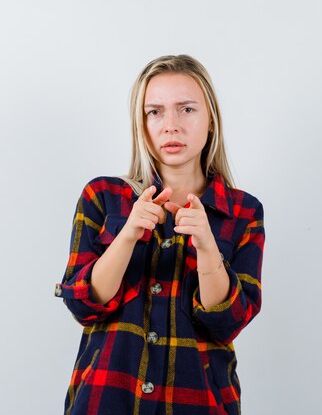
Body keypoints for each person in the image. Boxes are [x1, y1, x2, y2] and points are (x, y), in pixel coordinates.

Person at [54, 54, 265, 415]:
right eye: (155, 112)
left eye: (186, 110)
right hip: (106, 400)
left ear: (210, 119)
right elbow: (83, 304)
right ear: (141, 122)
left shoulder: (243, 212)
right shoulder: (102, 196)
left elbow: (227, 323)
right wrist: (127, 235)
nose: (171, 126)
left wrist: (208, 249)